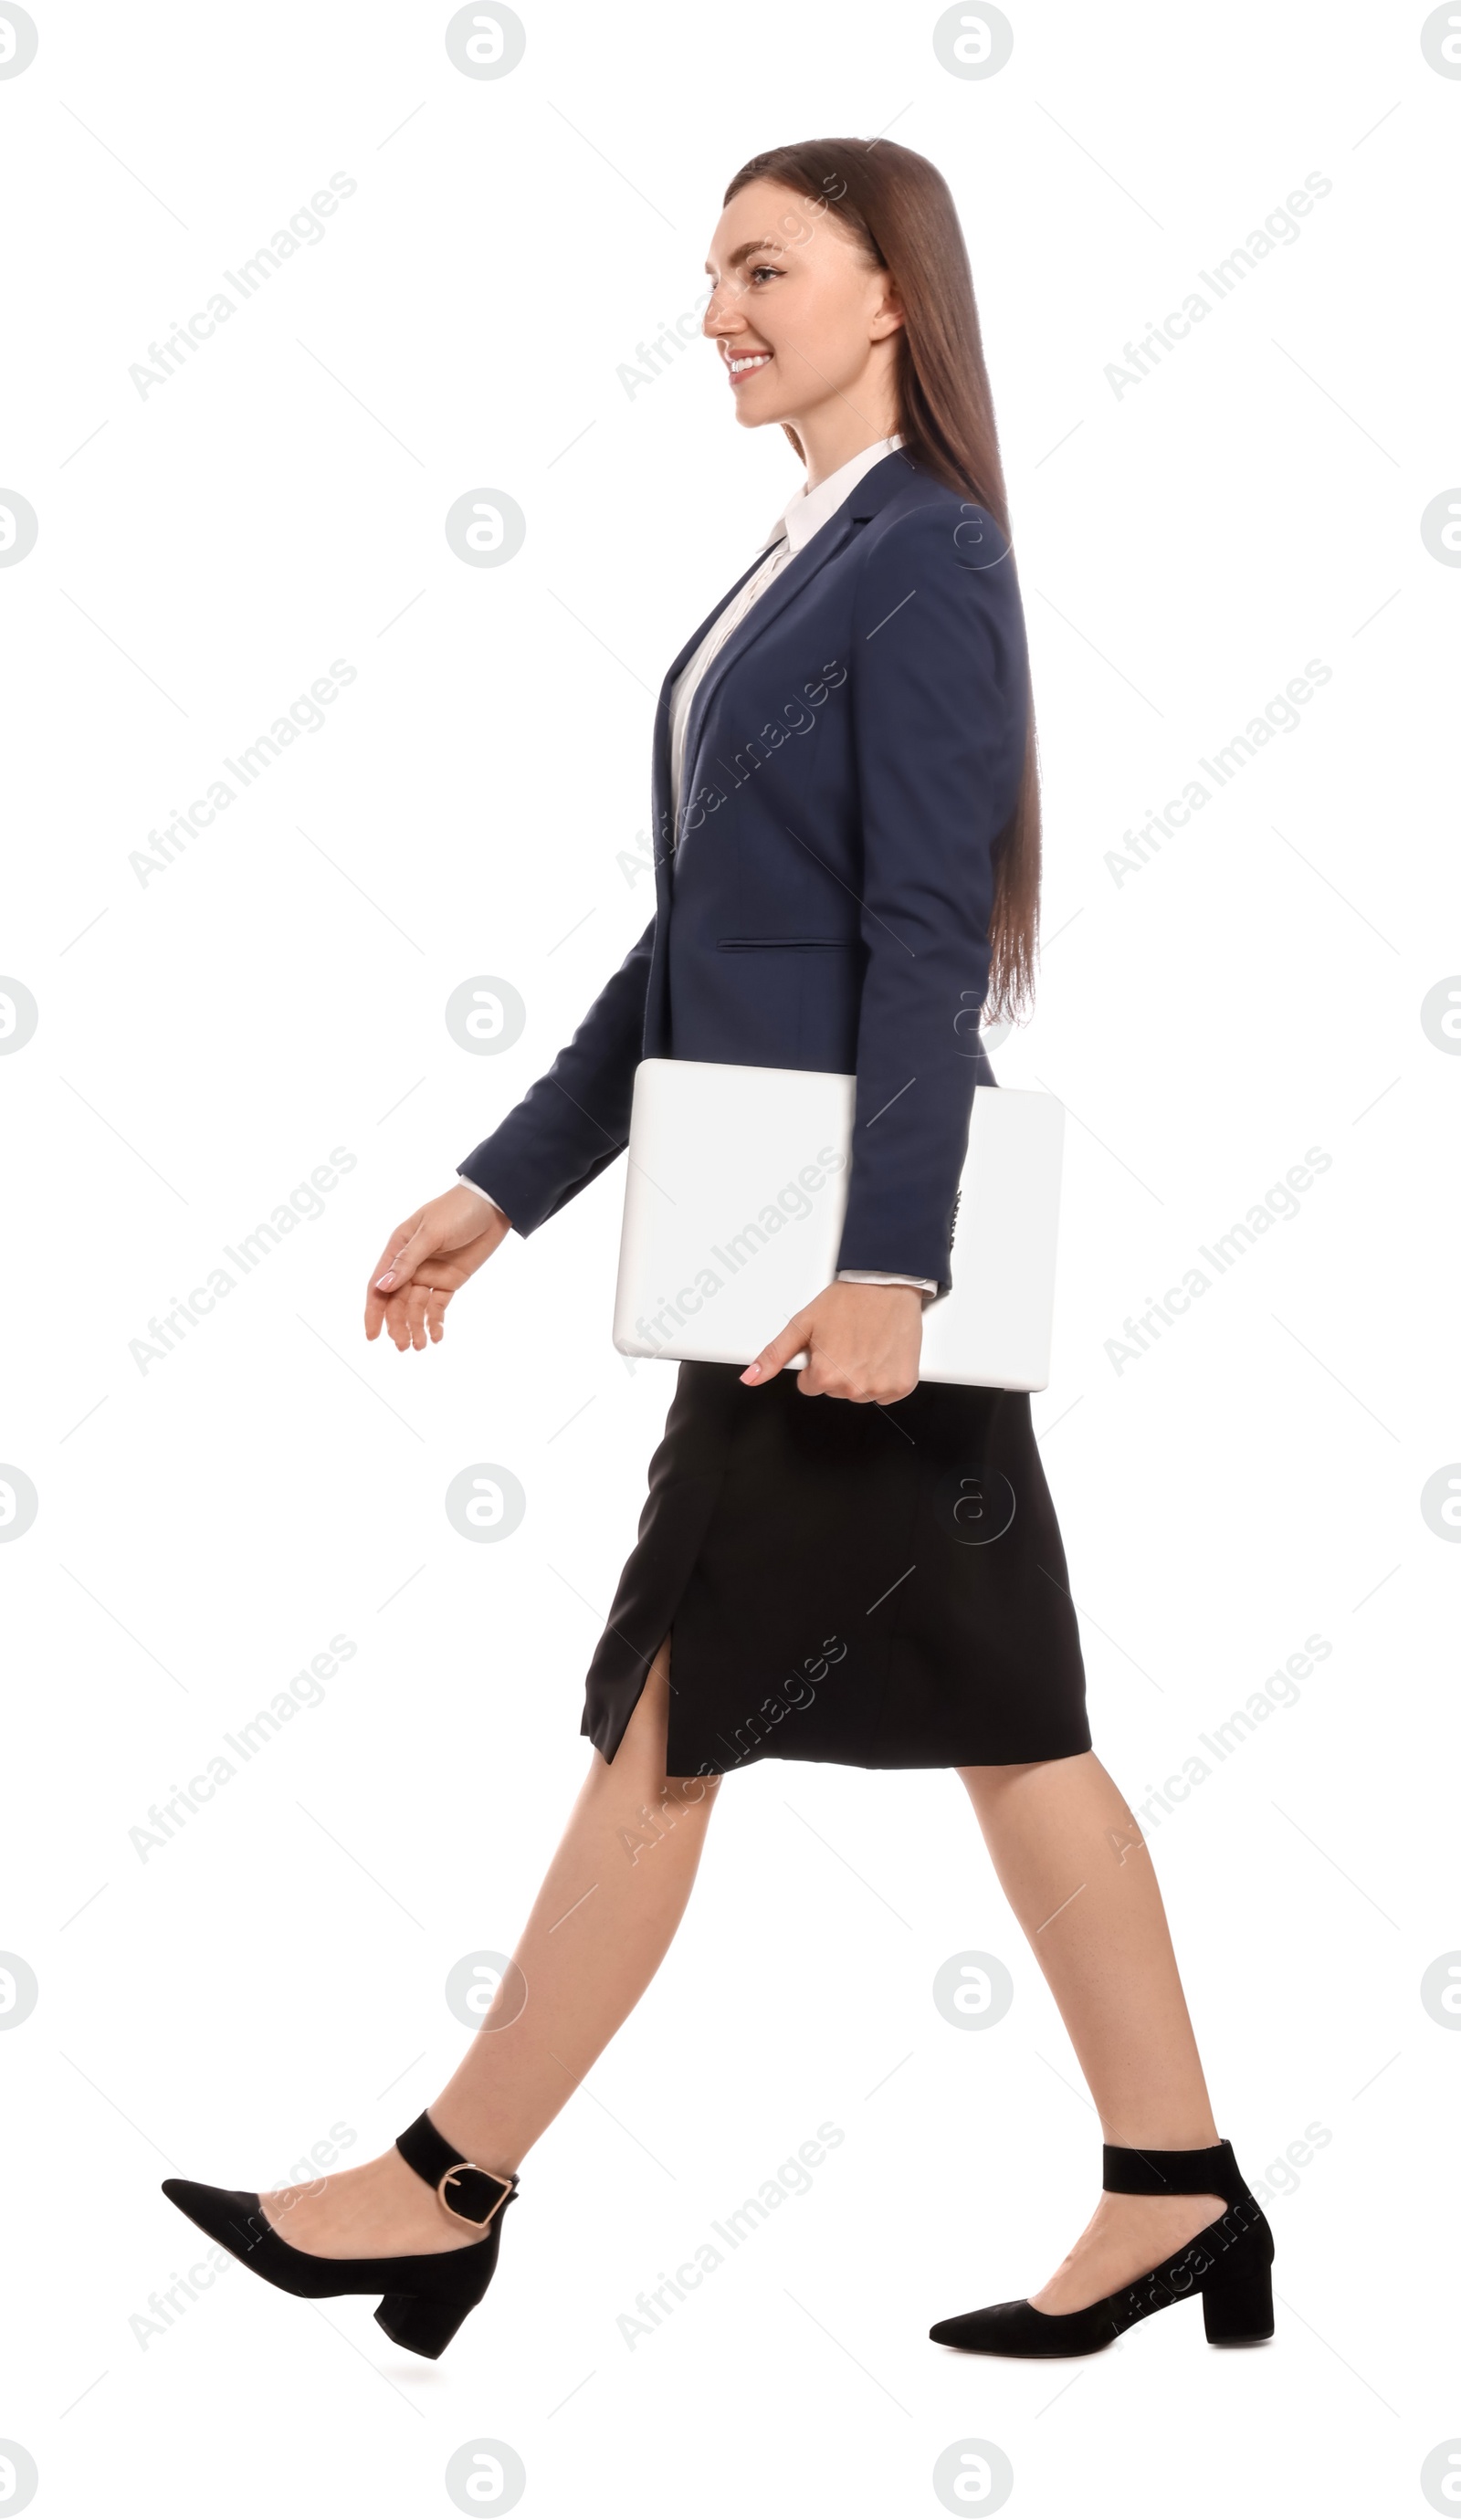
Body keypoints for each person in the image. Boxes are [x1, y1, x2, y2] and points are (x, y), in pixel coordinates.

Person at [162, 136, 1275, 2363]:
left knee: (671, 1707)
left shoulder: (924, 560)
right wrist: (501, 1183)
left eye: (759, 269)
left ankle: (444, 2188)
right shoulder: (802, 555)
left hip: (831, 1280)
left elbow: (909, 946)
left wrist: (888, 1269)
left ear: (890, 293)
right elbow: (700, 950)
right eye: (709, 274)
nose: (714, 315)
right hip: (791, 1250)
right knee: (1006, 1721)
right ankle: (1174, 2186)